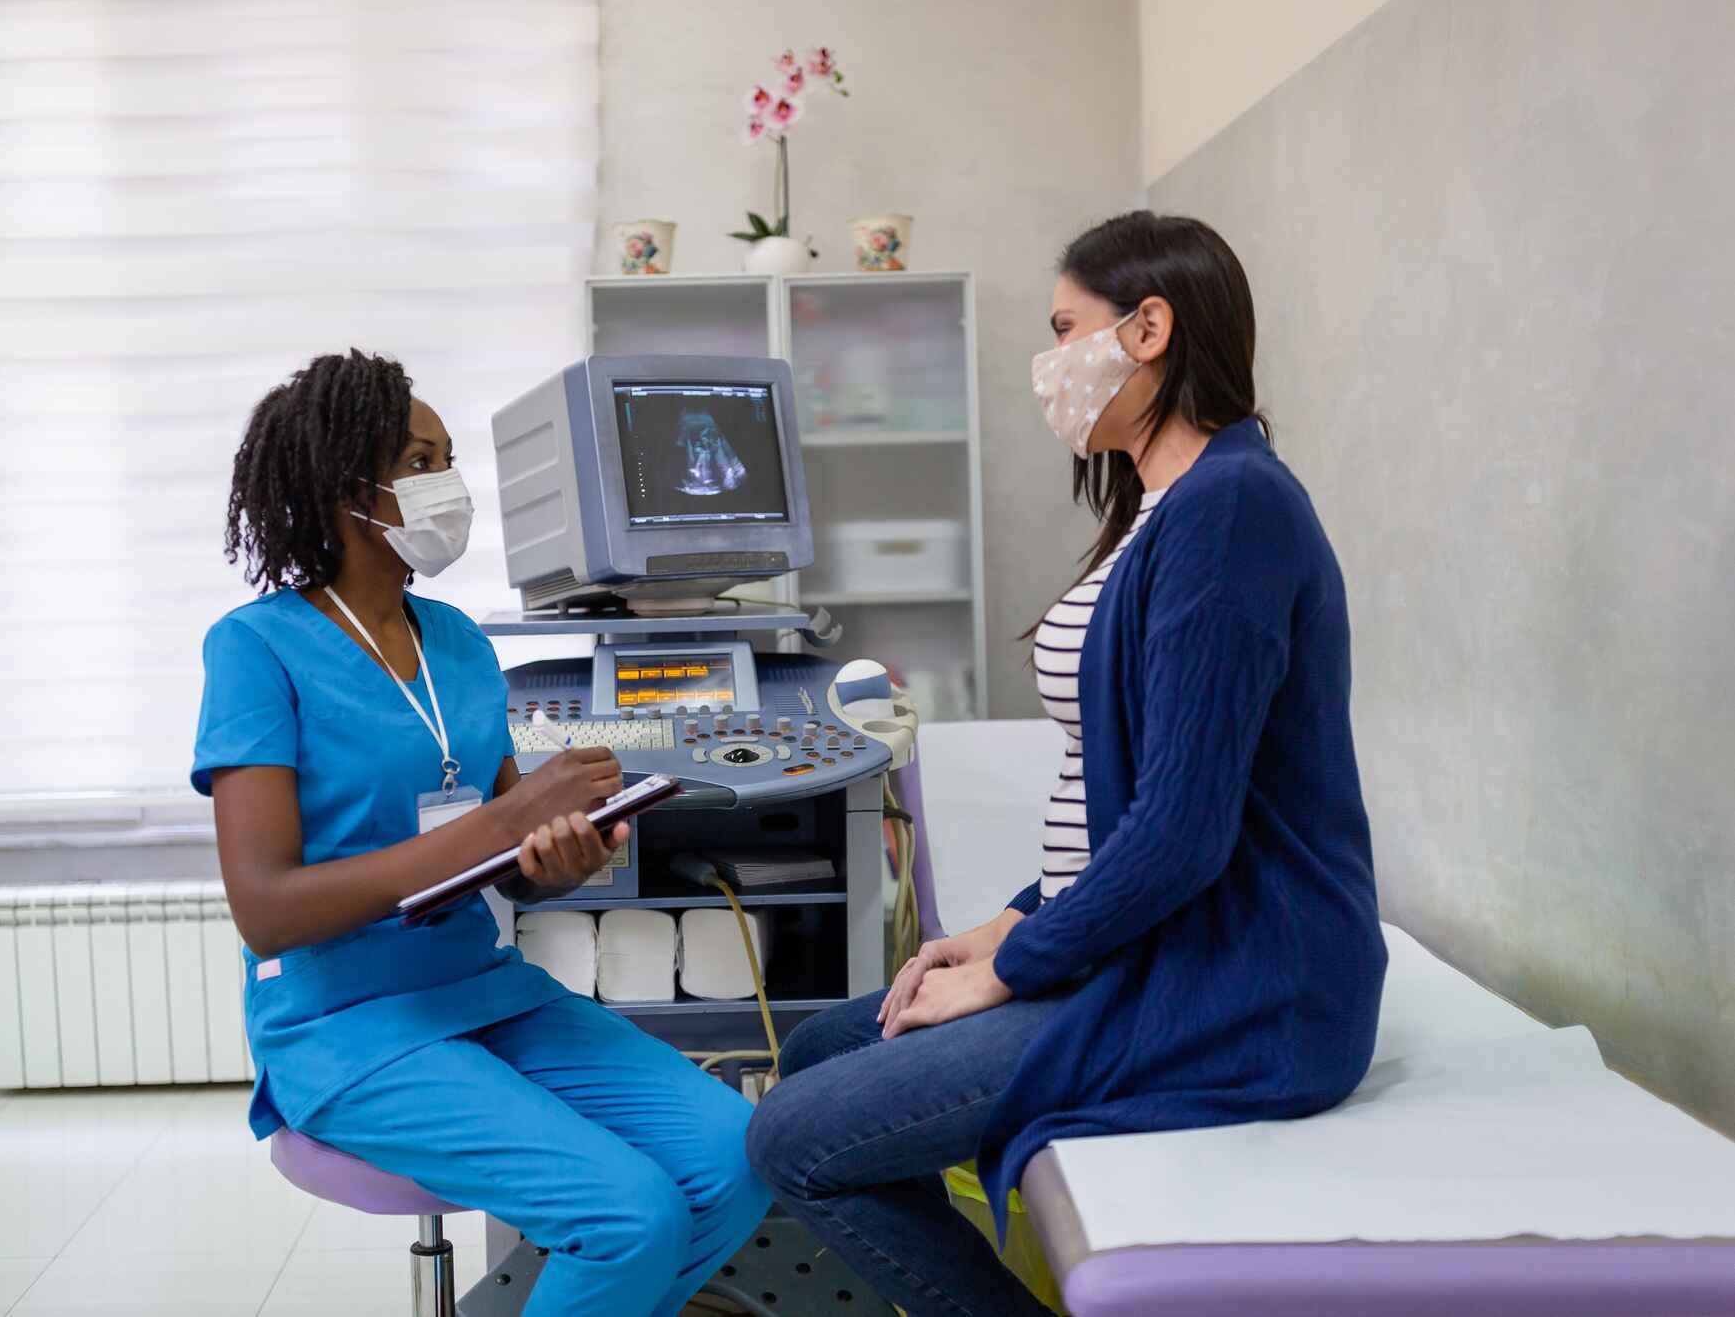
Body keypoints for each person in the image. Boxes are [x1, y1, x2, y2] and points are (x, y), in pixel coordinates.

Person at [745, 212, 1387, 1317]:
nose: (1048, 366)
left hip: (1234, 984)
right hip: (1144, 945)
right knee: (818, 1049)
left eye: (1063, 328)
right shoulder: (1163, 510)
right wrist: (1010, 920)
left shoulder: (1232, 510)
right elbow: (1122, 798)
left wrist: (1017, 964)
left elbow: (1182, 830)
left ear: (1149, 329)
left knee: (790, 1138)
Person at [193, 350, 769, 1317]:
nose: (446, 483)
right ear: (345, 480)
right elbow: (266, 910)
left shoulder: (456, 639)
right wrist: (506, 818)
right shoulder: (255, 648)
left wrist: (561, 855)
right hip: (346, 1023)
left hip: (485, 992)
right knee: (627, 1215)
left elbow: (513, 866)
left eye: (447, 457)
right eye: (421, 459)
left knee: (735, 1157)